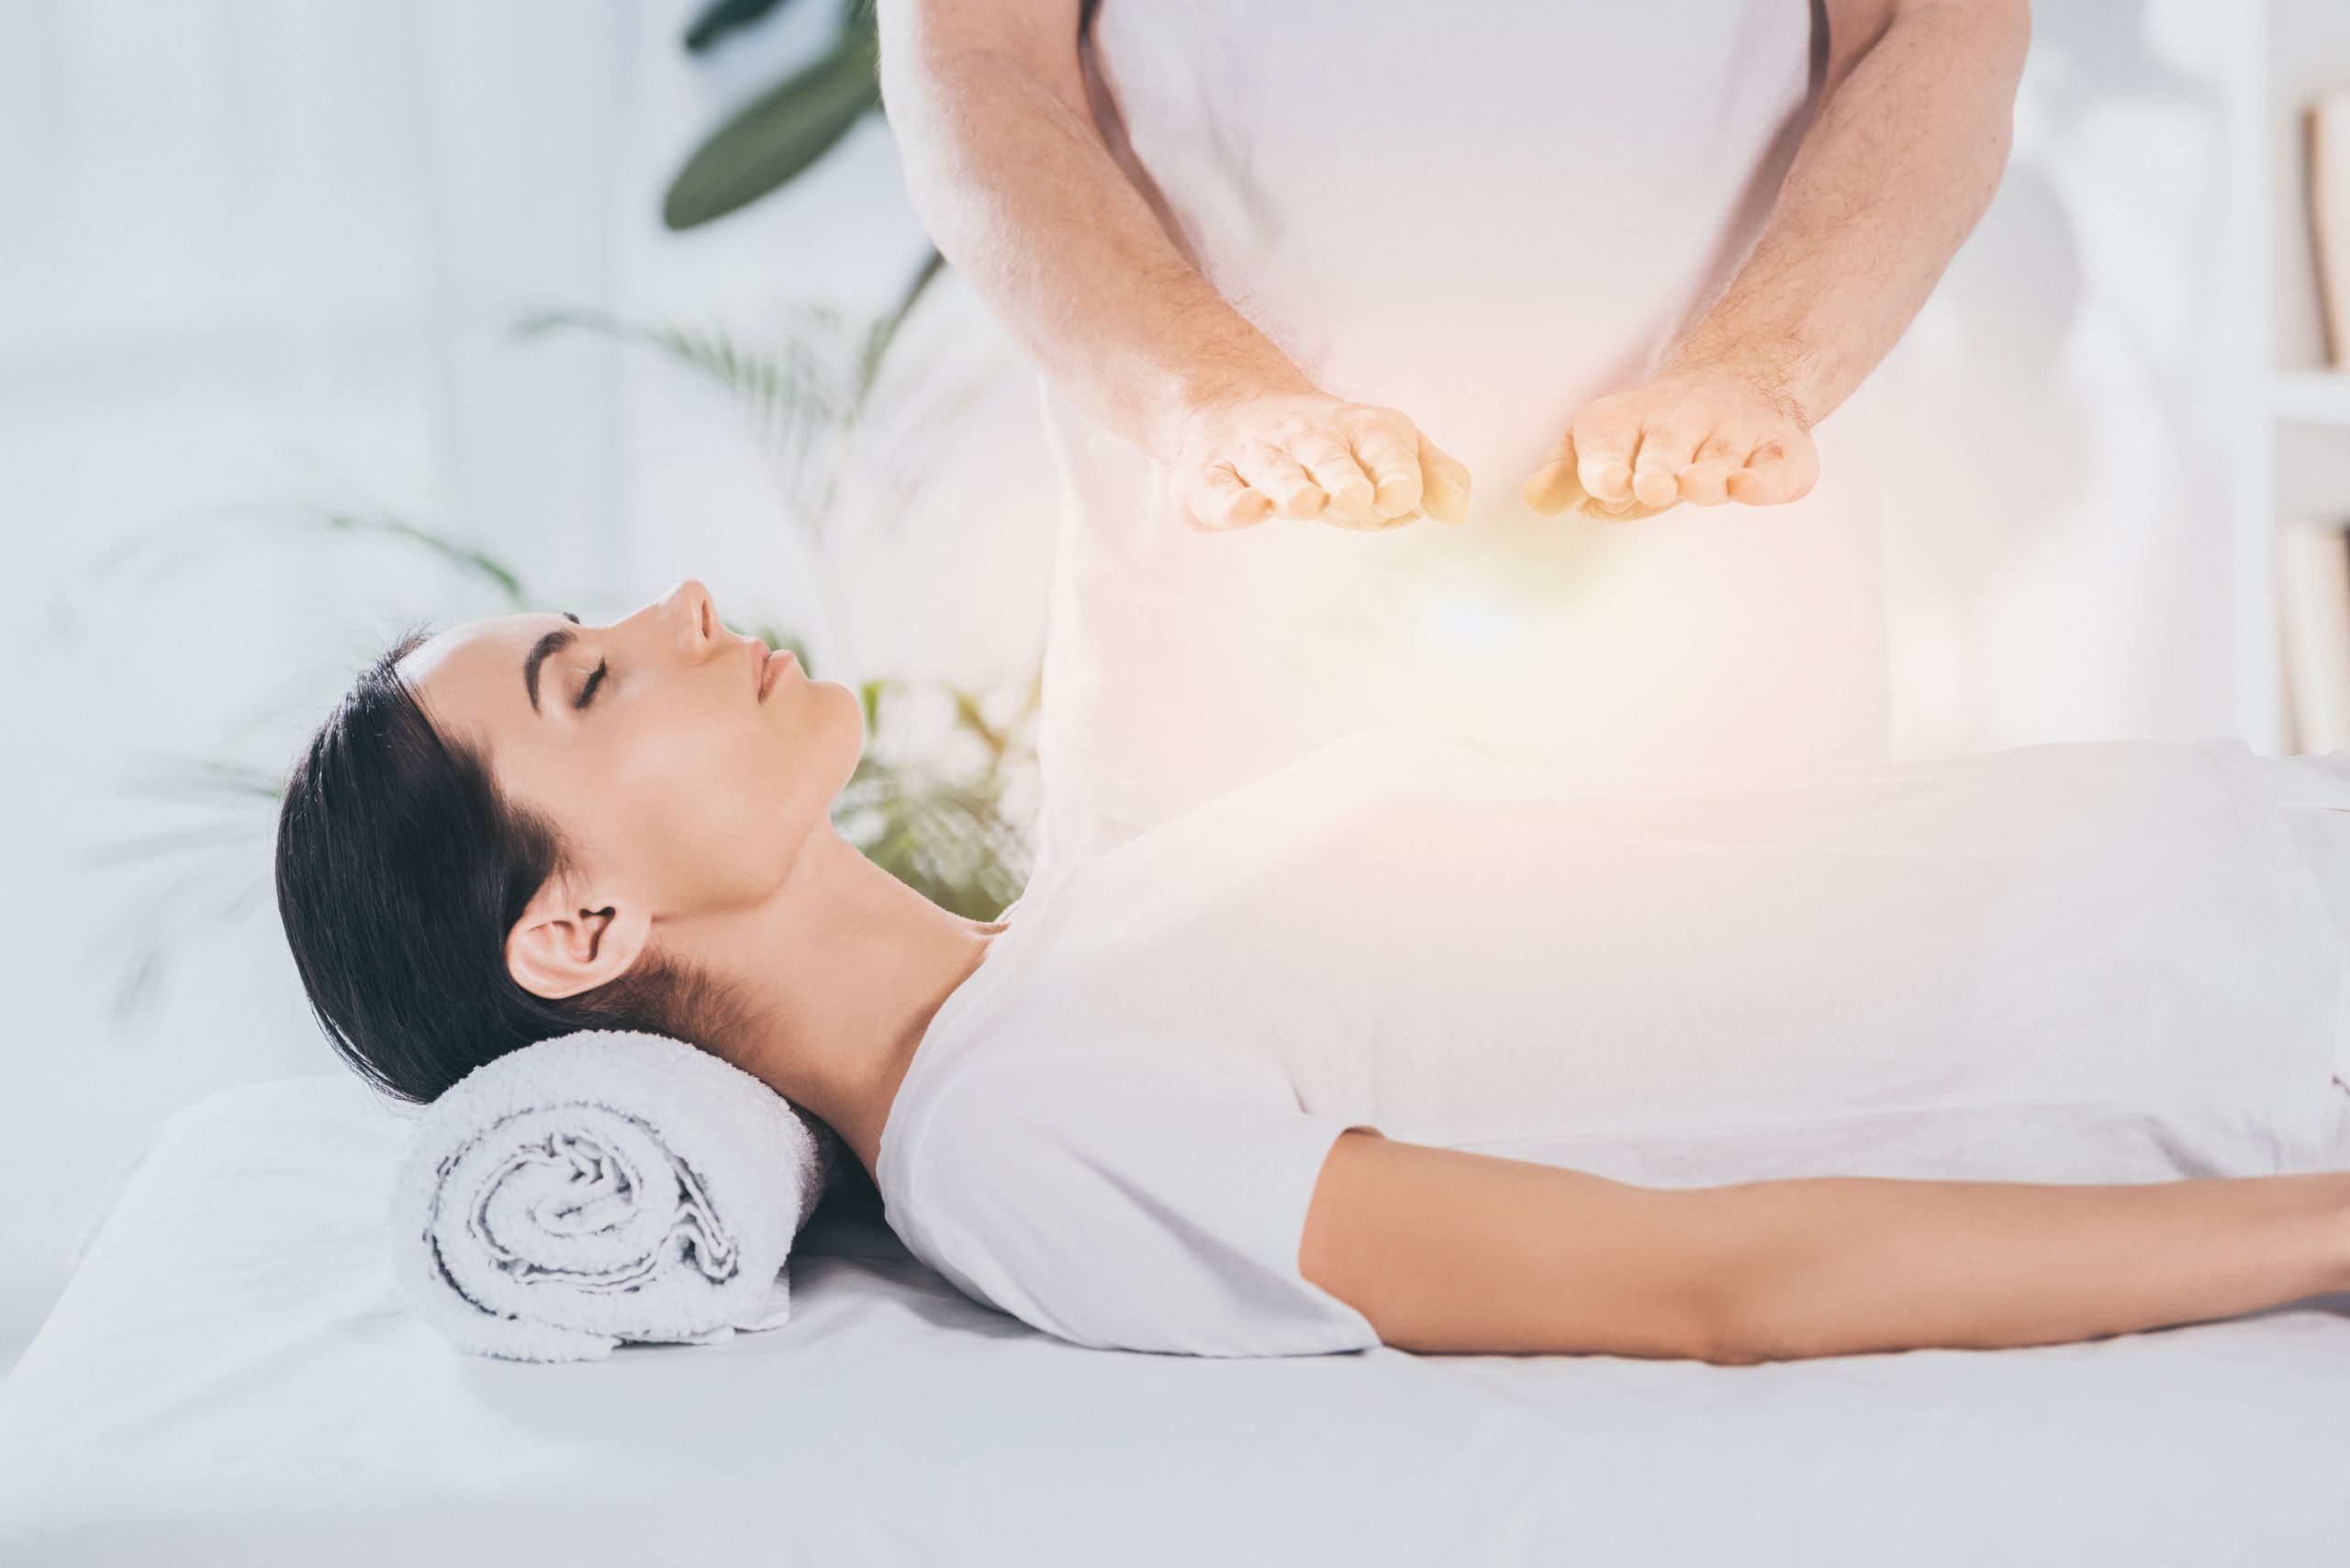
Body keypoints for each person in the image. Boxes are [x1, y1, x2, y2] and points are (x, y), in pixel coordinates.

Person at [277, 581, 2350, 1366]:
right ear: (577, 933)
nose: (680, 601)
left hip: (2251, 839)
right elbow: (1696, 1282)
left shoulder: (1067, 931)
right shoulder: (1017, 1133)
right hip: (2265, 1026)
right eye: (590, 674)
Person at [878, 0, 2032, 867]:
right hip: (1217, 721)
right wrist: (1210, 398)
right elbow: (976, 63)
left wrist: (1757, 372)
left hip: (1732, 714)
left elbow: (1937, 27)